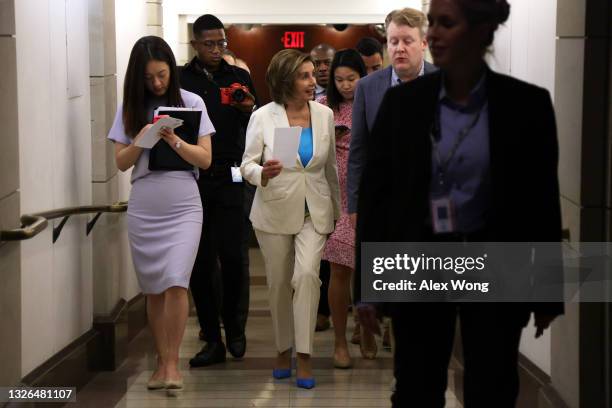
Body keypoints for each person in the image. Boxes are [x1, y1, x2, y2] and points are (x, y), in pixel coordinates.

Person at [356, 0, 563, 406]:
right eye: (431, 22)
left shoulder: (526, 105)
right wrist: (370, 284)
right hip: (420, 259)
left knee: (493, 384)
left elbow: (541, 201)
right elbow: (376, 197)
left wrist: (548, 290)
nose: (432, 33)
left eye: (446, 23)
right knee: (417, 385)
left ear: (482, 30)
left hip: (497, 260)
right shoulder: (403, 105)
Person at [107, 36, 214, 396]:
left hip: (183, 203)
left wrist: (176, 141)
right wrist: (143, 137)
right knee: (154, 287)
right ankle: (160, 359)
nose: (156, 83)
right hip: (145, 204)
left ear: (172, 68)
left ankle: (171, 364)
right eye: (149, 77)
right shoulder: (130, 109)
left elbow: (205, 159)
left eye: (163, 74)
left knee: (176, 280)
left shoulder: (191, 102)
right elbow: (121, 163)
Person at [241, 49, 340, 389]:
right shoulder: (263, 116)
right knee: (280, 283)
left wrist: (339, 213)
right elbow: (246, 165)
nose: (314, 81)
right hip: (274, 209)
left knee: (308, 275)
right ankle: (283, 348)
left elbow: (330, 170)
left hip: (316, 210)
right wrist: (262, 173)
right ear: (286, 80)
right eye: (305, 76)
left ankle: (305, 356)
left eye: (313, 74)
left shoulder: (324, 115)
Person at [348, 6, 437, 350]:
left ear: (423, 43)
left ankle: (410, 335)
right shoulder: (369, 87)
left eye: (407, 41)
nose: (399, 48)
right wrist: (354, 203)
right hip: (382, 200)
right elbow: (359, 150)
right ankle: (378, 325)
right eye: (393, 41)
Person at [180, 14, 258, 368]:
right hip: (195, 177)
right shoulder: (181, 81)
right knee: (200, 261)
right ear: (195, 44)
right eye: (209, 44)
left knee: (235, 256)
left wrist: (248, 108)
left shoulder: (238, 77)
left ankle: (236, 328)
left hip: (233, 174)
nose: (216, 50)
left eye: (221, 43)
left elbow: (254, 127)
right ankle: (211, 338)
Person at [317, 49, 376, 368]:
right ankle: (340, 341)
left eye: (351, 79)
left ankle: (366, 327)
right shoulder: (324, 106)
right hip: (334, 195)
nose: (345, 85)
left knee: (369, 267)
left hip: (367, 193)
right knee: (339, 269)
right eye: (338, 80)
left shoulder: (372, 102)